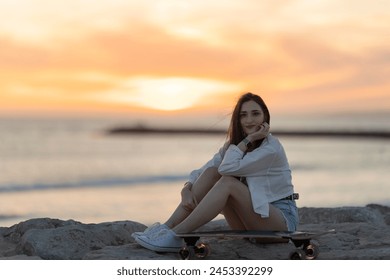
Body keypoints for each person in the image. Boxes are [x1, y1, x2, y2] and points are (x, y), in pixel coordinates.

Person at [133, 92, 299, 253]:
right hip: (252, 220)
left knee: (227, 183)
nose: (249, 120)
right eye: (243, 115)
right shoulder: (234, 146)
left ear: (265, 117)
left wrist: (248, 139)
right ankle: (166, 228)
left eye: (255, 114)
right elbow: (206, 170)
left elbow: (227, 169)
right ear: (238, 119)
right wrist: (186, 188)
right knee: (212, 173)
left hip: (280, 222)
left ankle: (176, 235)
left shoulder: (271, 148)